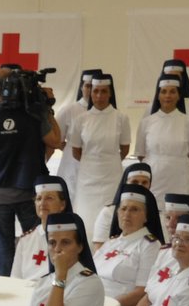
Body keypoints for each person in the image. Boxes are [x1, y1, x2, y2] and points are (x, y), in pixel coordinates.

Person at [0, 64, 64, 276]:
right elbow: (55, 140)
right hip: (28, 190)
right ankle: (35, 281)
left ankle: (7, 285)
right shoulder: (34, 115)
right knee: (35, 241)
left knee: (4, 245)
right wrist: (46, 107)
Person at [69, 74, 130, 224]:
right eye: (96, 91)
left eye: (104, 91)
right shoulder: (81, 119)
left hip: (112, 174)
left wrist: (108, 160)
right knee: (86, 216)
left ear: (110, 93)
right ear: (91, 93)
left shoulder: (121, 118)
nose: (99, 95)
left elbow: (125, 148)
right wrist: (92, 160)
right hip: (87, 176)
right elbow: (76, 151)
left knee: (110, 216)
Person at [96, 184, 164, 306]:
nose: (127, 214)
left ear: (146, 216)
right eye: (123, 209)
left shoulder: (150, 246)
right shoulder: (110, 242)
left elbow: (142, 292)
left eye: (134, 210)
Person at [135, 75, 189, 205]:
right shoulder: (146, 122)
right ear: (158, 95)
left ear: (178, 96)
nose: (168, 96)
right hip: (155, 178)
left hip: (180, 177)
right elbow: (141, 154)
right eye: (164, 91)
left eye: (172, 92)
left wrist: (175, 163)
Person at [9, 176, 73, 282]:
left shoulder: (72, 239)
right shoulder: (26, 239)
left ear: (62, 205)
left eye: (49, 198)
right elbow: (15, 278)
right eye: (39, 199)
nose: (42, 203)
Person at [53, 69, 100, 192]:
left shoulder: (107, 114)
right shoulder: (68, 110)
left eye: (94, 87)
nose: (90, 90)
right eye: (87, 86)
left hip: (97, 165)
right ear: (81, 88)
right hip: (72, 166)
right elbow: (56, 139)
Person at [91, 161, 152, 244]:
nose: (139, 186)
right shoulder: (108, 213)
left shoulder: (156, 214)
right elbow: (99, 250)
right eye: (134, 182)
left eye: (144, 183)